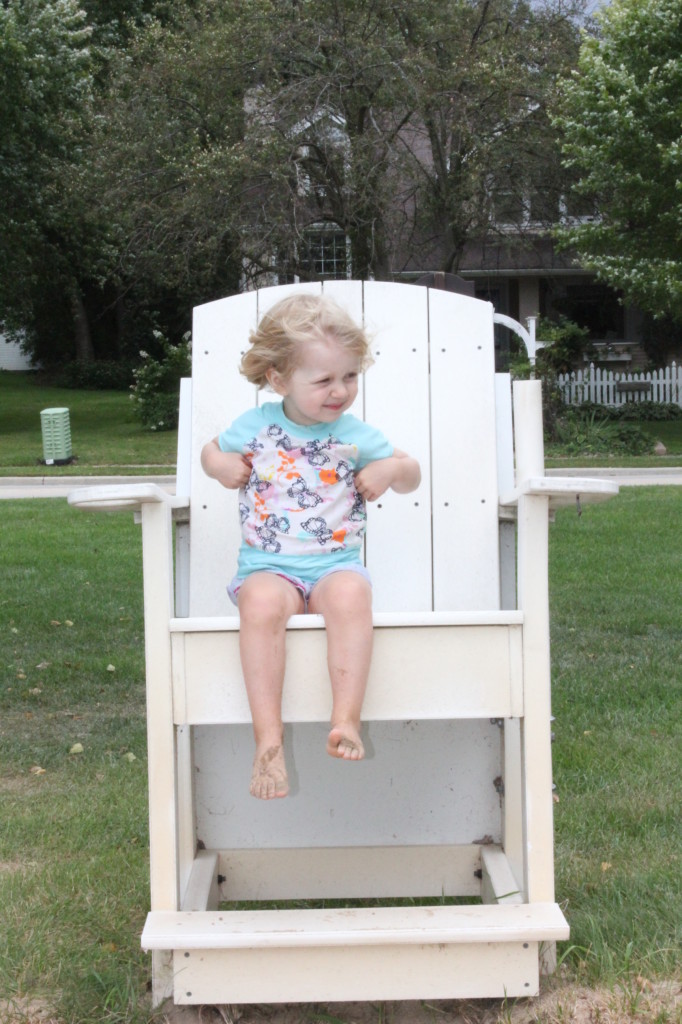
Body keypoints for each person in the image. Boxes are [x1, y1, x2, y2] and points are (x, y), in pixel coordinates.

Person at [201, 294, 421, 800]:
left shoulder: (356, 434)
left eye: (349, 377)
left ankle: (345, 719)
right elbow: (212, 449)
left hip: (334, 565)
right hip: (268, 568)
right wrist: (218, 466)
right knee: (258, 602)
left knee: (350, 597)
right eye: (323, 381)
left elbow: (411, 473)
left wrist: (390, 470)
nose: (339, 391)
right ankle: (268, 742)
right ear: (279, 380)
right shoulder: (255, 427)